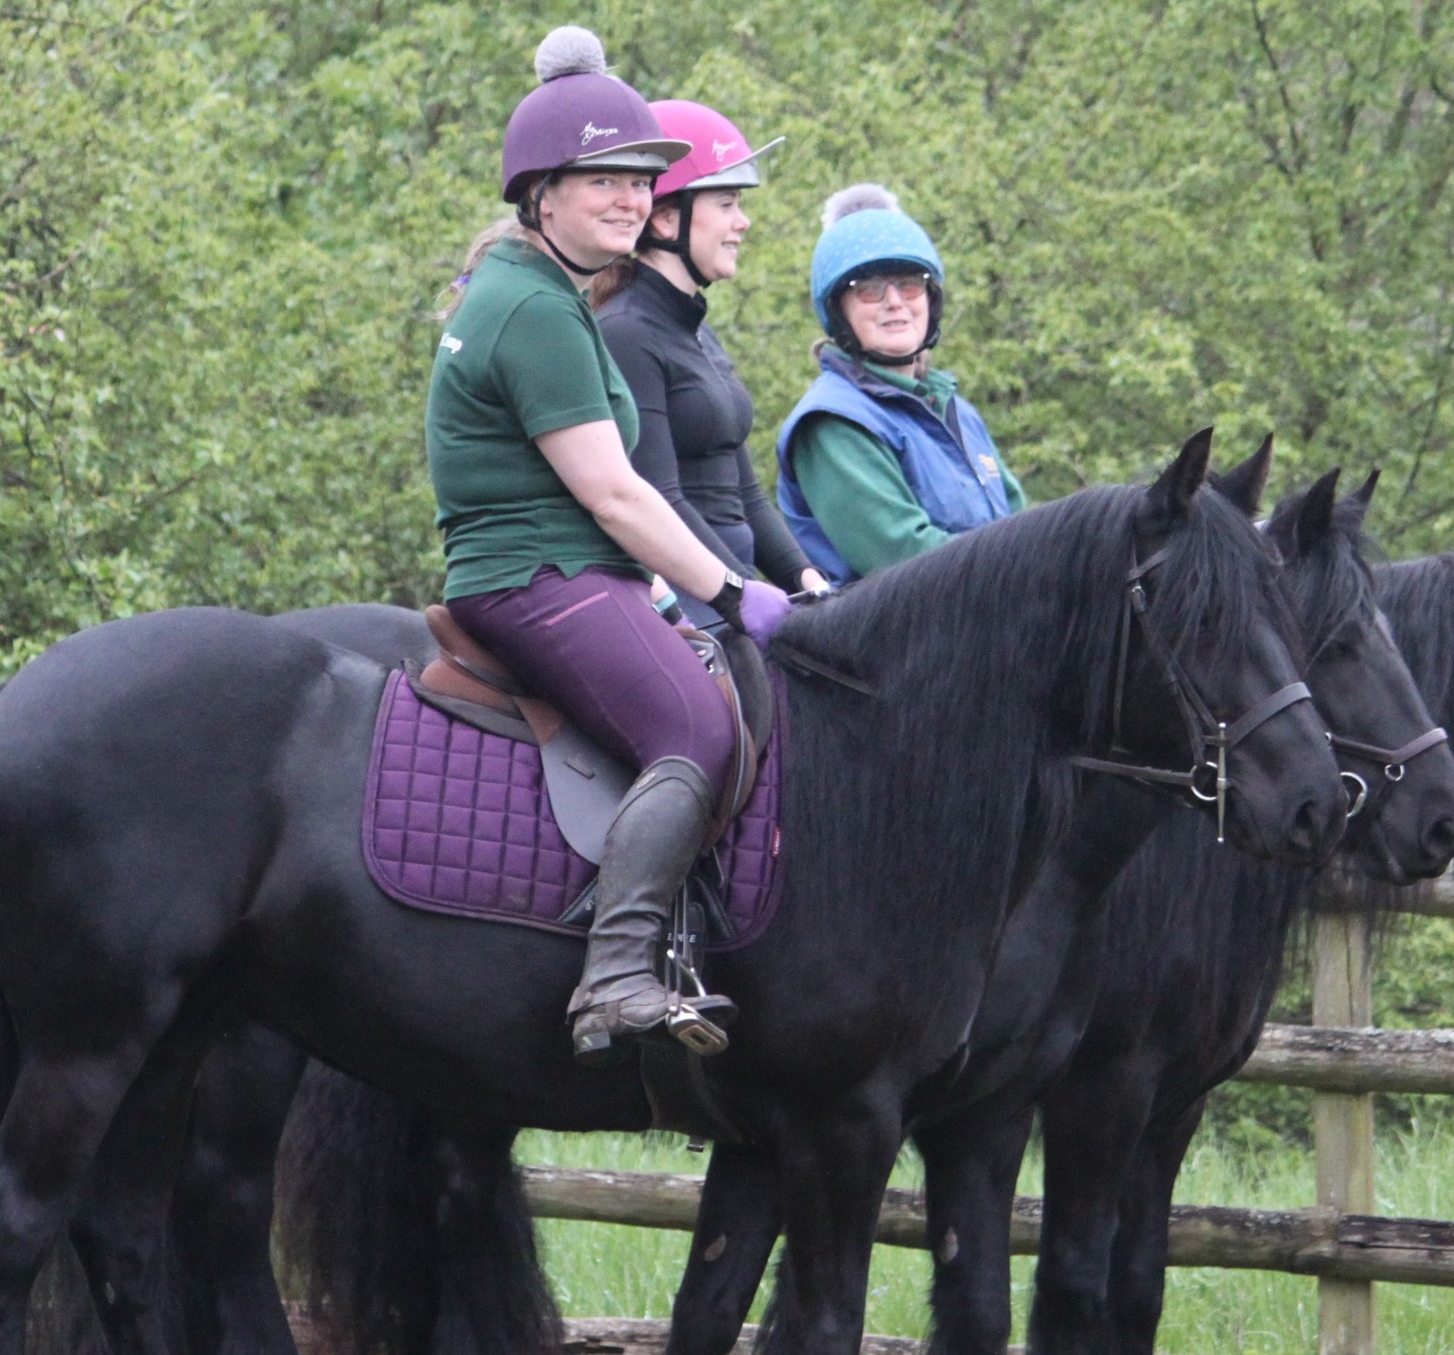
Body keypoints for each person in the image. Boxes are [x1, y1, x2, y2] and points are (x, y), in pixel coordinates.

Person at [426, 27, 791, 1064]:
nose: (631, 199)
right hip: (539, 578)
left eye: (640, 180)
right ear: (541, 192)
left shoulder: (543, 294)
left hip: (562, 570)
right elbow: (615, 493)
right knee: (695, 727)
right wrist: (730, 590)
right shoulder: (534, 313)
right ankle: (615, 967)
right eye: (605, 183)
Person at [590, 101, 827, 626]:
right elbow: (661, 499)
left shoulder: (696, 330)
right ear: (668, 218)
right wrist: (740, 593)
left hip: (735, 590)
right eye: (727, 203)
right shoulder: (625, 333)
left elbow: (745, 492)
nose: (743, 222)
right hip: (690, 602)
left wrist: (809, 583)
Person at [775, 184, 1026, 585]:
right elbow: (903, 556)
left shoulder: (956, 411)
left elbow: (1022, 524)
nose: (894, 301)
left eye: (909, 284)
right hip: (891, 641)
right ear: (840, 312)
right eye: (870, 290)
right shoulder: (832, 422)